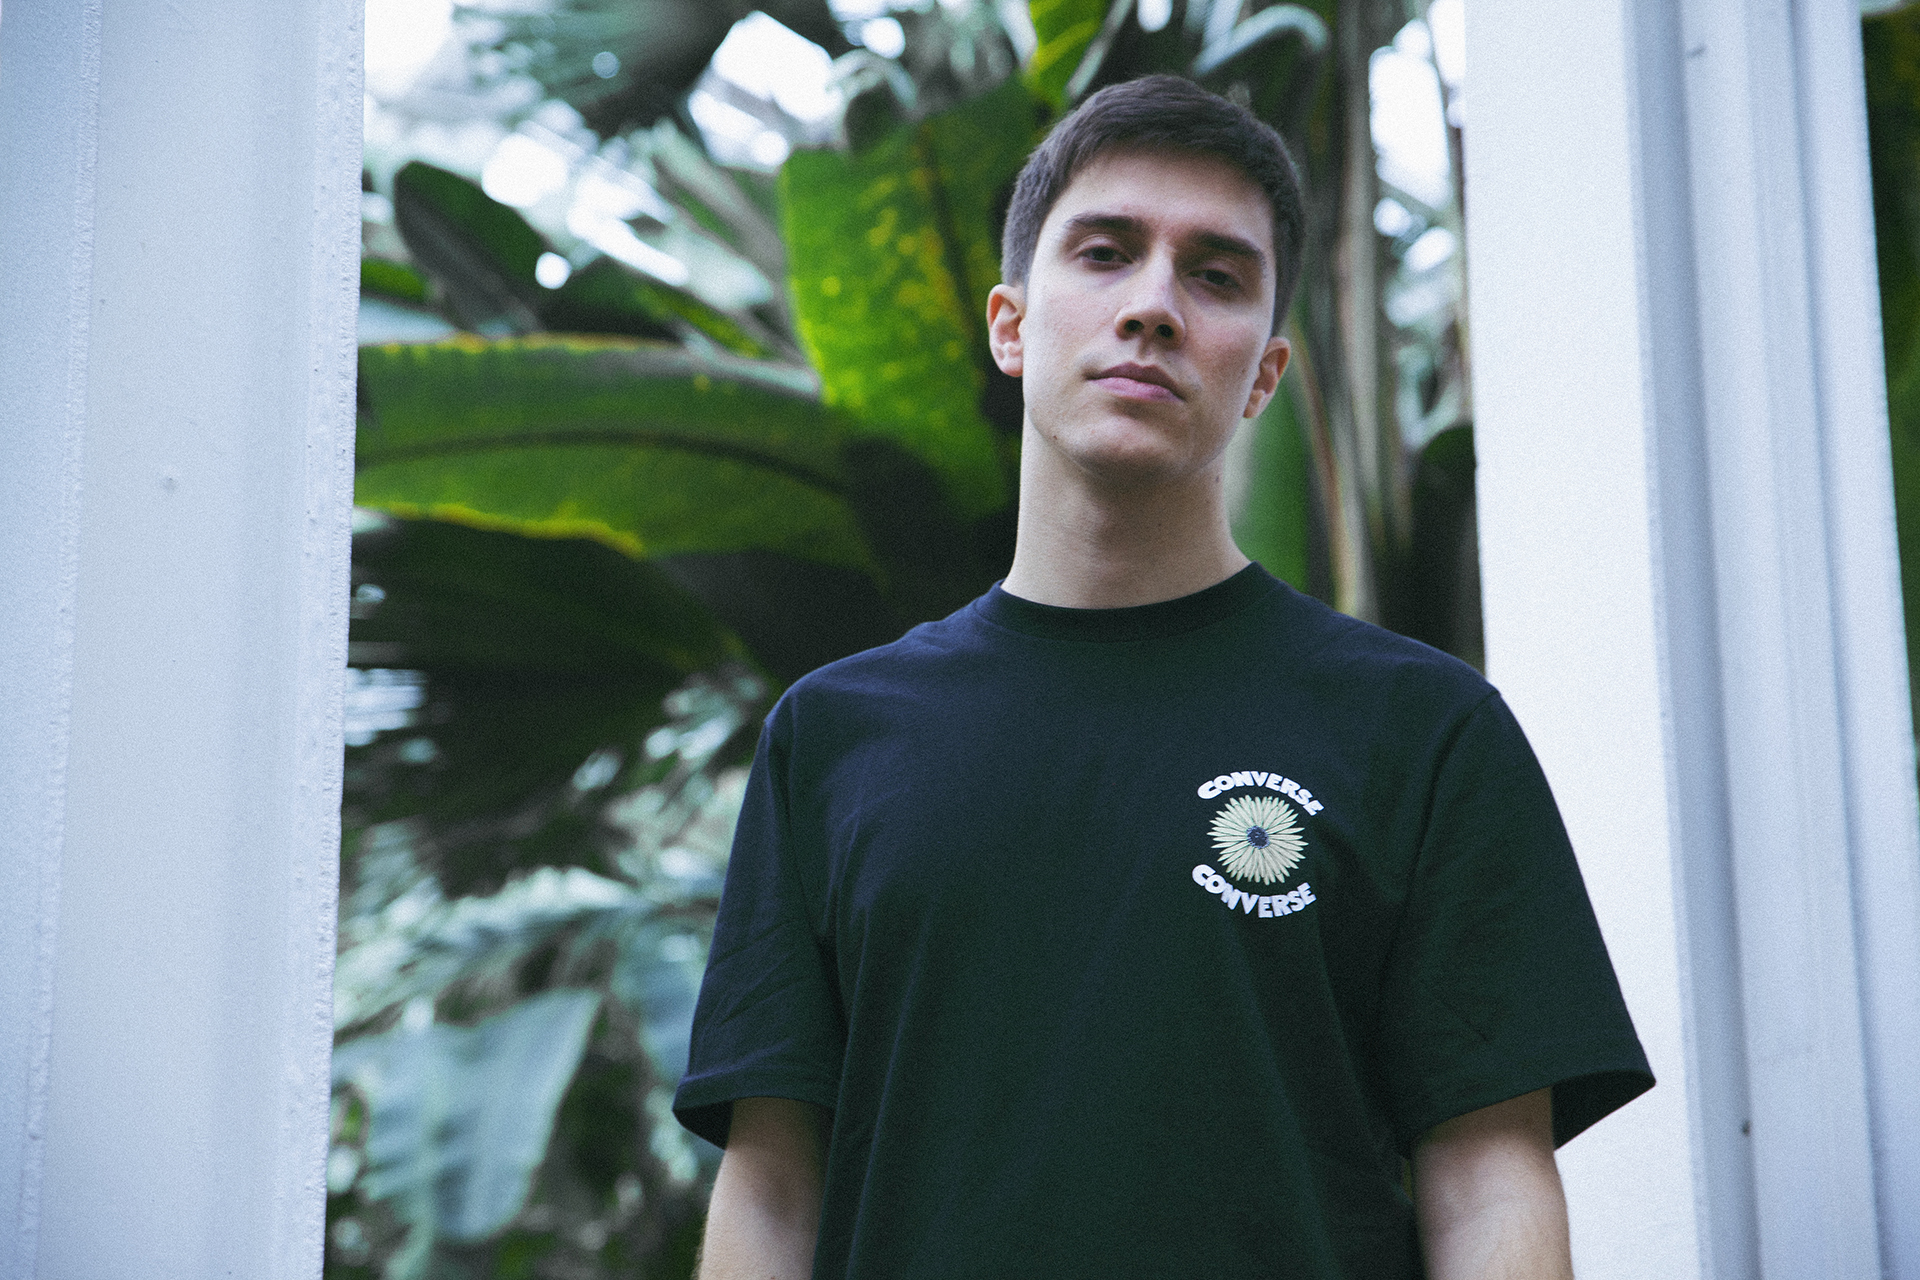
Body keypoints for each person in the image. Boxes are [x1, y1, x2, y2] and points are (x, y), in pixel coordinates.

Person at [673, 74, 1652, 1279]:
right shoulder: (831, 738)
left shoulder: (1425, 729)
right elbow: (773, 1188)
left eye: (1217, 275)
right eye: (1104, 253)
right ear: (1011, 324)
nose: (1153, 306)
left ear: (1264, 375)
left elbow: (1489, 1181)